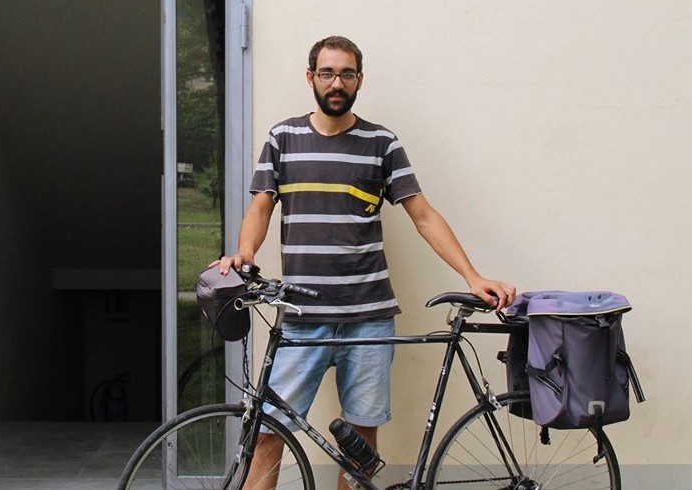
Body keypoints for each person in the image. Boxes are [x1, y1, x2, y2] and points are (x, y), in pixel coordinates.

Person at [215, 35, 516, 490]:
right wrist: (245, 254)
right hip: (302, 315)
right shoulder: (283, 138)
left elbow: (423, 214)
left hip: (368, 318)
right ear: (311, 76)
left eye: (347, 74)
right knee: (268, 435)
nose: (337, 82)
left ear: (359, 79)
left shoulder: (382, 143)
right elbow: (261, 207)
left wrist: (472, 276)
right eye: (327, 72)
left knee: (360, 446)